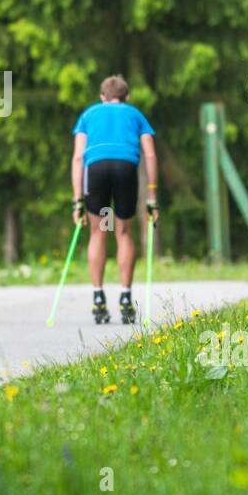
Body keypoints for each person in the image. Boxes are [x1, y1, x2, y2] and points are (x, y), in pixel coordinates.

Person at [71, 75, 159, 324]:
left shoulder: (88, 115)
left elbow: (78, 158)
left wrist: (77, 199)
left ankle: (98, 298)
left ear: (102, 98)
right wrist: (152, 197)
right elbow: (150, 156)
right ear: (126, 97)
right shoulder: (135, 114)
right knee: (122, 232)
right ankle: (125, 298)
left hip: (96, 168)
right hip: (125, 167)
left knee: (99, 232)